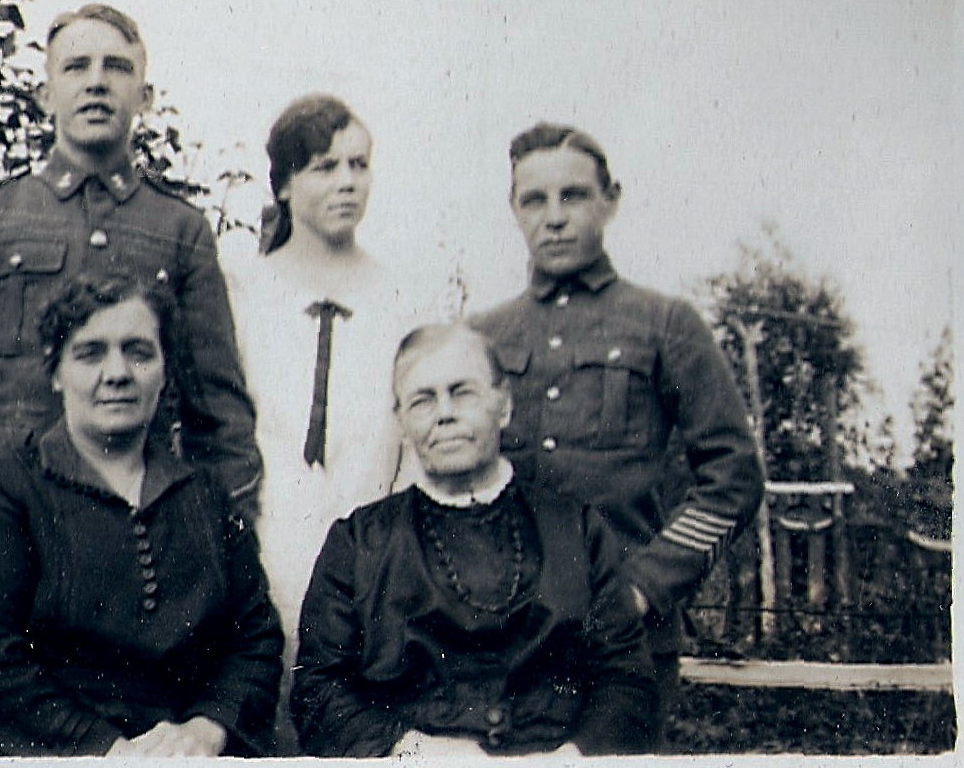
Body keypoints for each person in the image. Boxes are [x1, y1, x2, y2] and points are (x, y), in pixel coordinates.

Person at [0, 4, 260, 564]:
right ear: (47, 95)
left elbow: (220, 412)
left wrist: (217, 544)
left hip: (144, 539)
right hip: (9, 531)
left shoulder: (179, 230)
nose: (96, 81)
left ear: (145, 95)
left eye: (116, 67)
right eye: (75, 67)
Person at [469, 123, 765, 740]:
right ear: (514, 209)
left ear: (612, 199)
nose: (554, 218)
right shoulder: (482, 336)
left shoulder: (664, 324)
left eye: (574, 196)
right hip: (501, 644)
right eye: (535, 200)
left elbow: (733, 475)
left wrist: (641, 590)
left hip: (623, 647)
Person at [0, 272, 282, 757]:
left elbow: (255, 638)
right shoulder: (5, 495)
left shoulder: (205, 496)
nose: (118, 372)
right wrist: (109, 750)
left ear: (164, 369)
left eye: (139, 351)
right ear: (56, 372)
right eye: (90, 353)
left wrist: (205, 731)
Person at [291, 323, 658, 757]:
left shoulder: (577, 530)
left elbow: (627, 676)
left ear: (503, 405)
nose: (444, 413)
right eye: (422, 400)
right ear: (402, 422)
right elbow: (317, 689)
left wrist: (571, 758)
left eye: (462, 392)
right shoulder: (358, 543)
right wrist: (416, 752)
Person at [221, 94, 434, 648]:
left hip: (374, 549)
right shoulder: (243, 291)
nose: (348, 182)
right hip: (265, 541)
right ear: (285, 184)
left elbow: (417, 441)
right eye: (325, 168)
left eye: (359, 165)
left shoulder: (402, 298)